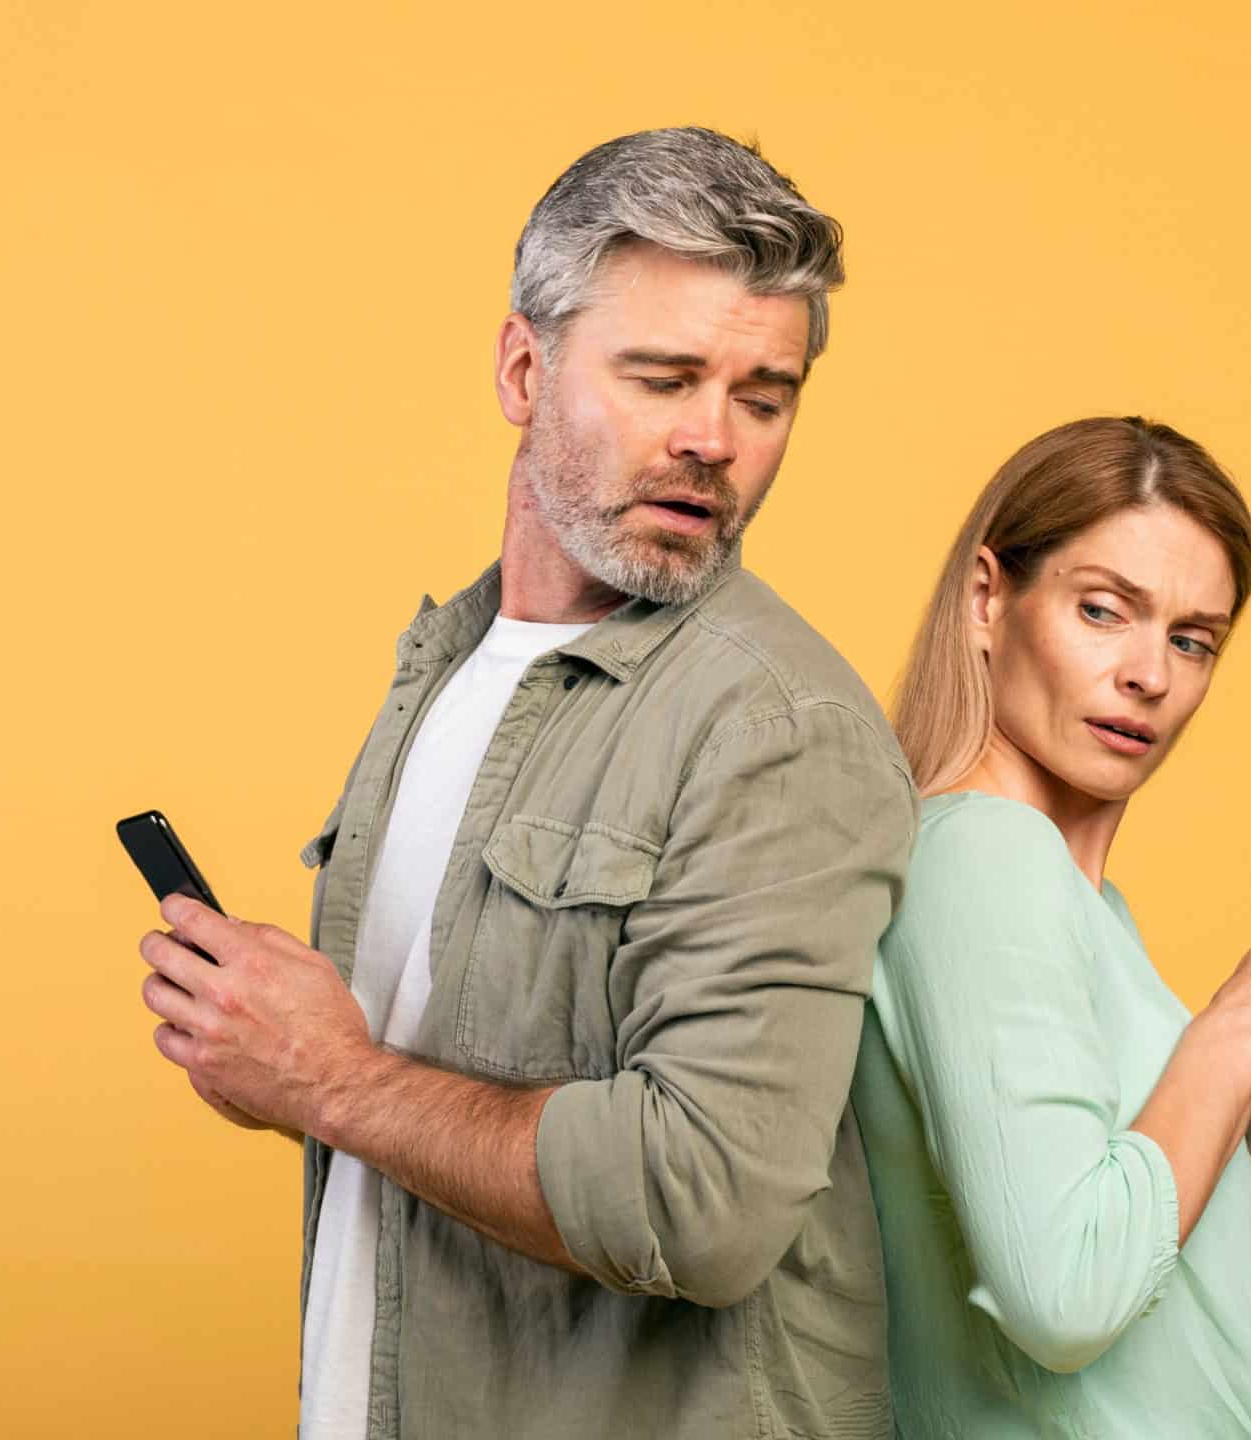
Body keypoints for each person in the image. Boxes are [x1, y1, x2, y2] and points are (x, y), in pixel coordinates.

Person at [133, 128, 917, 1440]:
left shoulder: (779, 731)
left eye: (764, 397)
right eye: (663, 378)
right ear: (521, 367)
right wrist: (273, 1059)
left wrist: (330, 1078)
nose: (715, 441)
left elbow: (704, 1200)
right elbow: (429, 1083)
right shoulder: (447, 659)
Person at [850, 417, 1251, 1438]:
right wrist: (1239, 1030)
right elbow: (1062, 1299)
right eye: (1103, 611)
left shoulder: (1065, 896)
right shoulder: (985, 859)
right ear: (989, 599)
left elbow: (1104, 1269)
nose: (1149, 676)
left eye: (1190, 639)